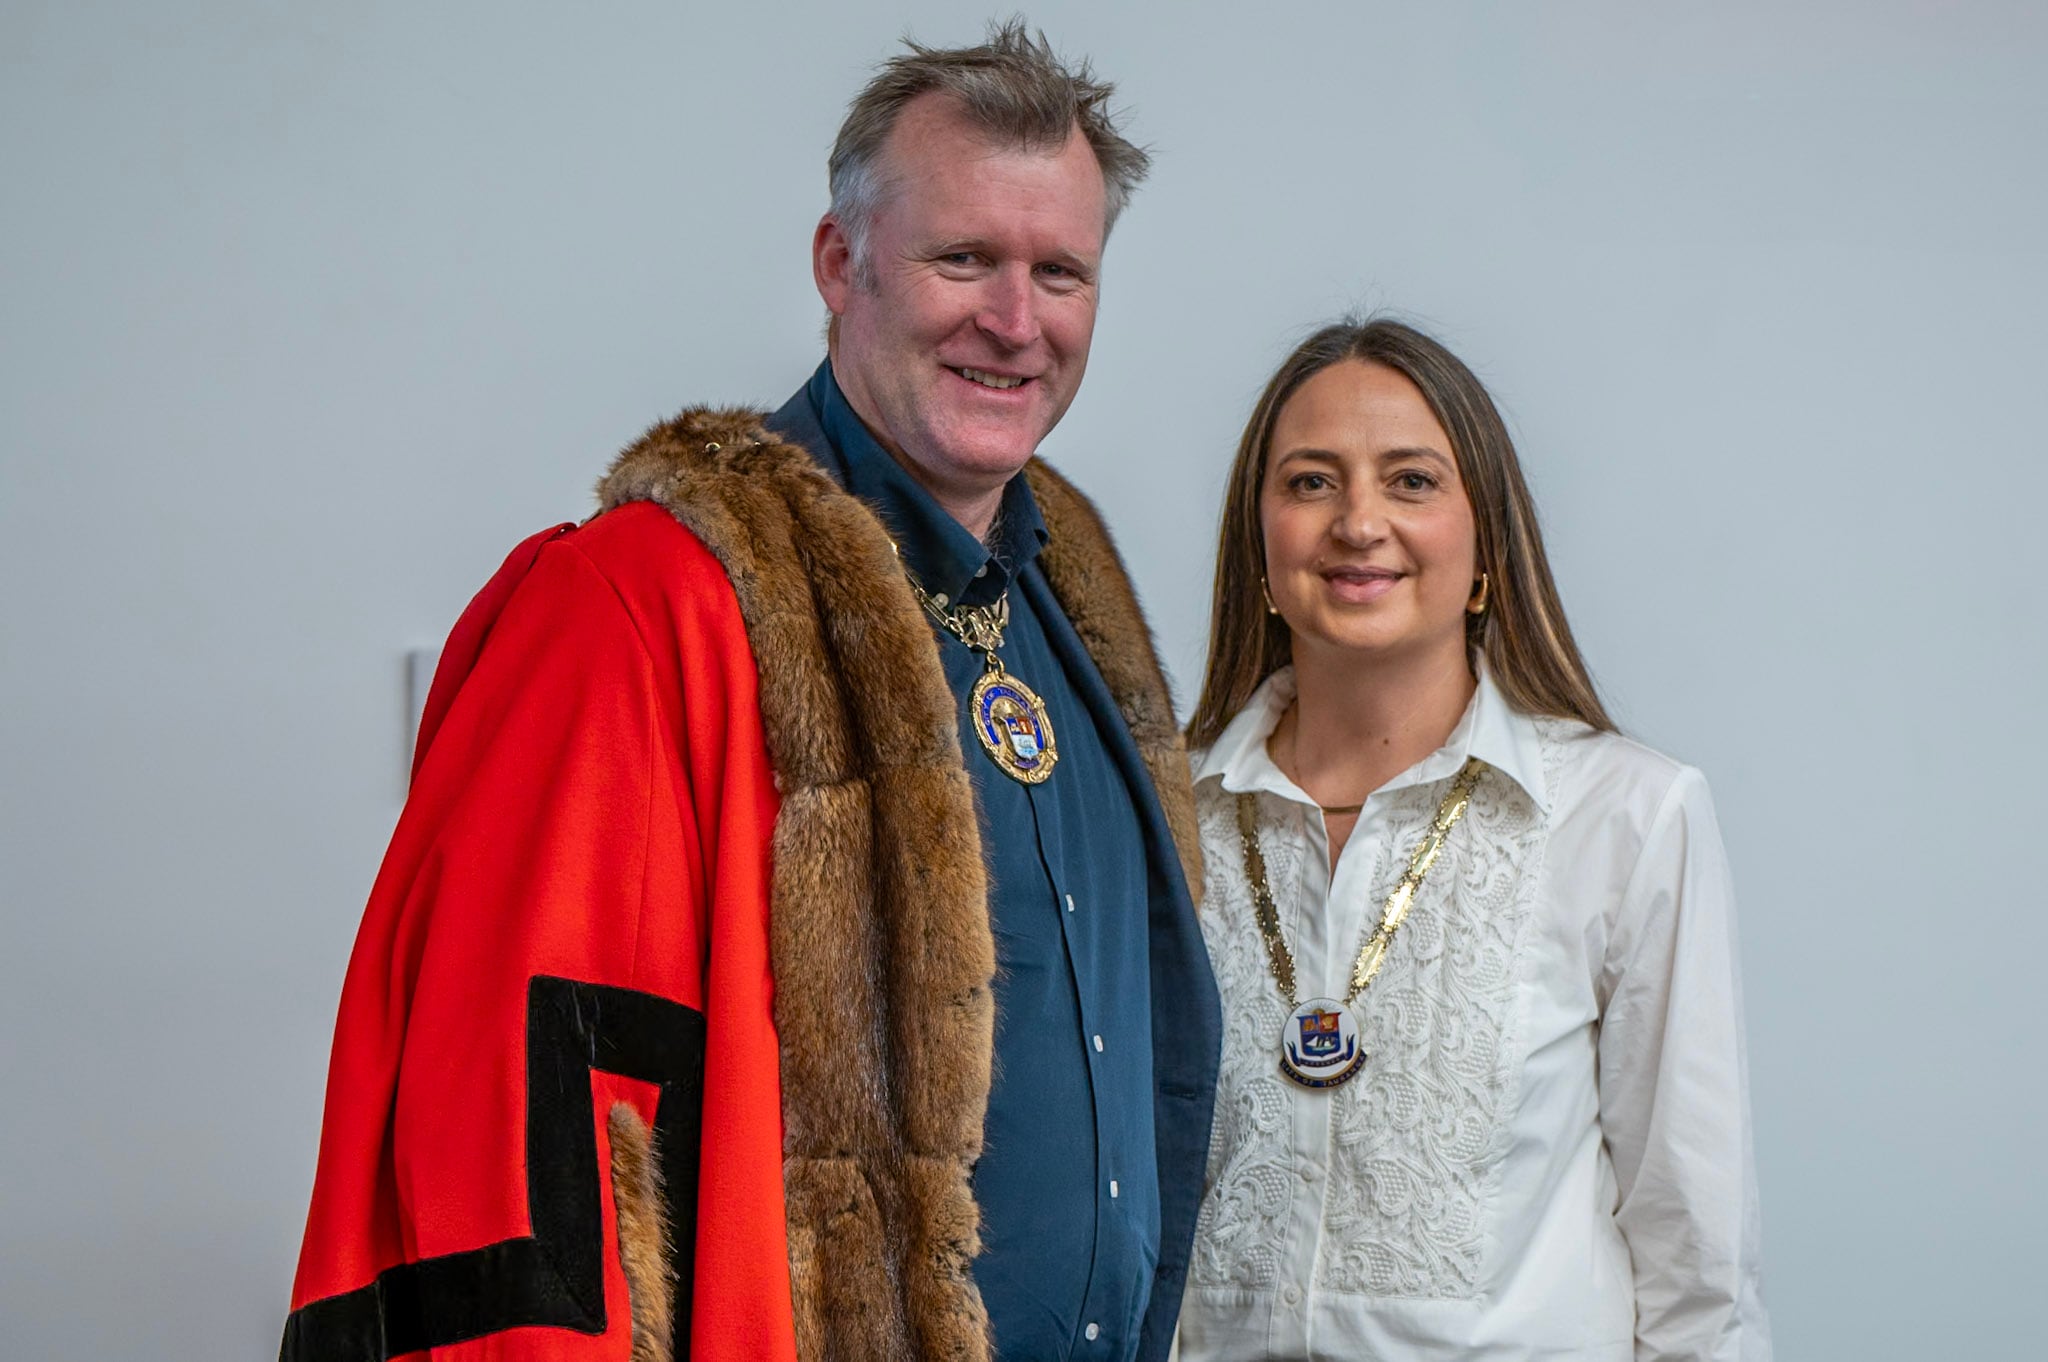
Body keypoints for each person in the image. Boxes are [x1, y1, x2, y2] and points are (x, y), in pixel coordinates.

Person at [279, 23, 1218, 1362]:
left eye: (1058, 271)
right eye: (963, 258)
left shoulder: (1073, 610)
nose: (1016, 321)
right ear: (843, 264)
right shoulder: (639, 608)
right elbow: (515, 1136)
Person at [1175, 319, 1768, 1360]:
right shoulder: (1160, 820)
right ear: (1256, 543)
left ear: (1483, 540)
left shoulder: (1624, 817)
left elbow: (1697, 1266)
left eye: (1410, 481)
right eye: (1311, 482)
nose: (1358, 523)